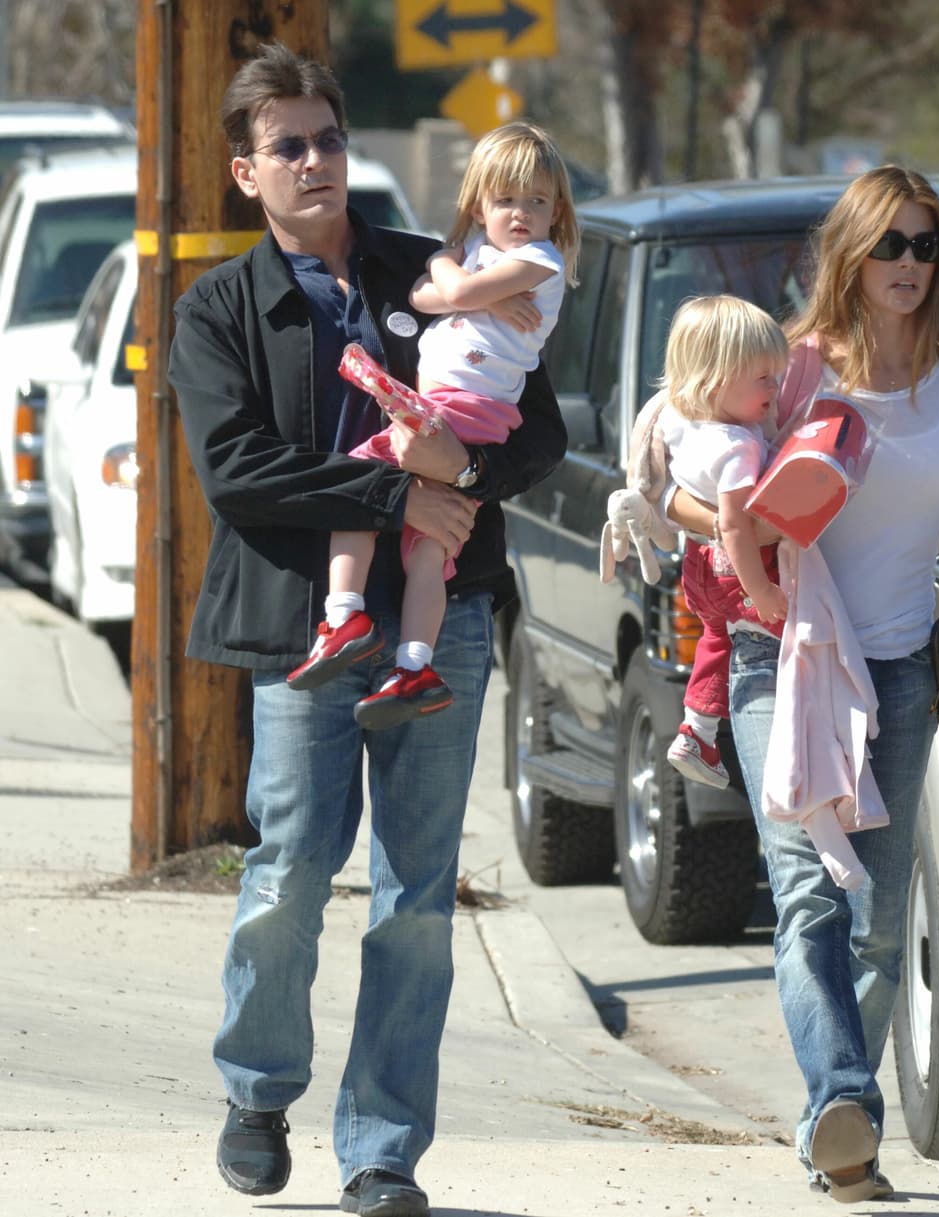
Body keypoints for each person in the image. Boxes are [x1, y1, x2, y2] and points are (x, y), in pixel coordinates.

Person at [166, 43, 565, 1217]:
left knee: (416, 895)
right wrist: (400, 494)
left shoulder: (433, 268)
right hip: (310, 627)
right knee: (291, 869)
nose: (314, 161)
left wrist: (467, 475)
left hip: (442, 626)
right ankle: (257, 1085)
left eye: (328, 138)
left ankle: (382, 1148)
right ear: (247, 171)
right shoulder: (221, 306)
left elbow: (535, 427)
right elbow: (236, 472)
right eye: (287, 145)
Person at [666, 165, 939, 1203]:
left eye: (926, 246)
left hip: (898, 664)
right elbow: (681, 481)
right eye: (889, 245)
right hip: (773, 658)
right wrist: (729, 530)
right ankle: (841, 1102)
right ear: (851, 253)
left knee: (875, 914)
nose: (908, 264)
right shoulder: (788, 368)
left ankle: (841, 1131)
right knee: (803, 895)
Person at [287, 121, 579, 729]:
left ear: (558, 211)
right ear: (478, 204)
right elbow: (422, 297)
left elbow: (449, 286)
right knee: (430, 549)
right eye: (506, 200)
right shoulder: (484, 257)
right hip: (463, 409)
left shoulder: (539, 257)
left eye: (538, 201)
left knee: (359, 483)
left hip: (464, 407)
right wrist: (467, 286)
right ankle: (414, 665)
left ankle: (343, 618)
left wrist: (455, 271)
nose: (521, 214)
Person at [655, 294, 790, 789]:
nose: (775, 389)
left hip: (699, 567)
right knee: (798, 637)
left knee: (716, 638)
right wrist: (762, 592)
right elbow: (735, 526)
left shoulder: (678, 419)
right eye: (763, 378)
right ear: (715, 380)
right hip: (738, 572)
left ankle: (698, 732)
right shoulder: (738, 446)